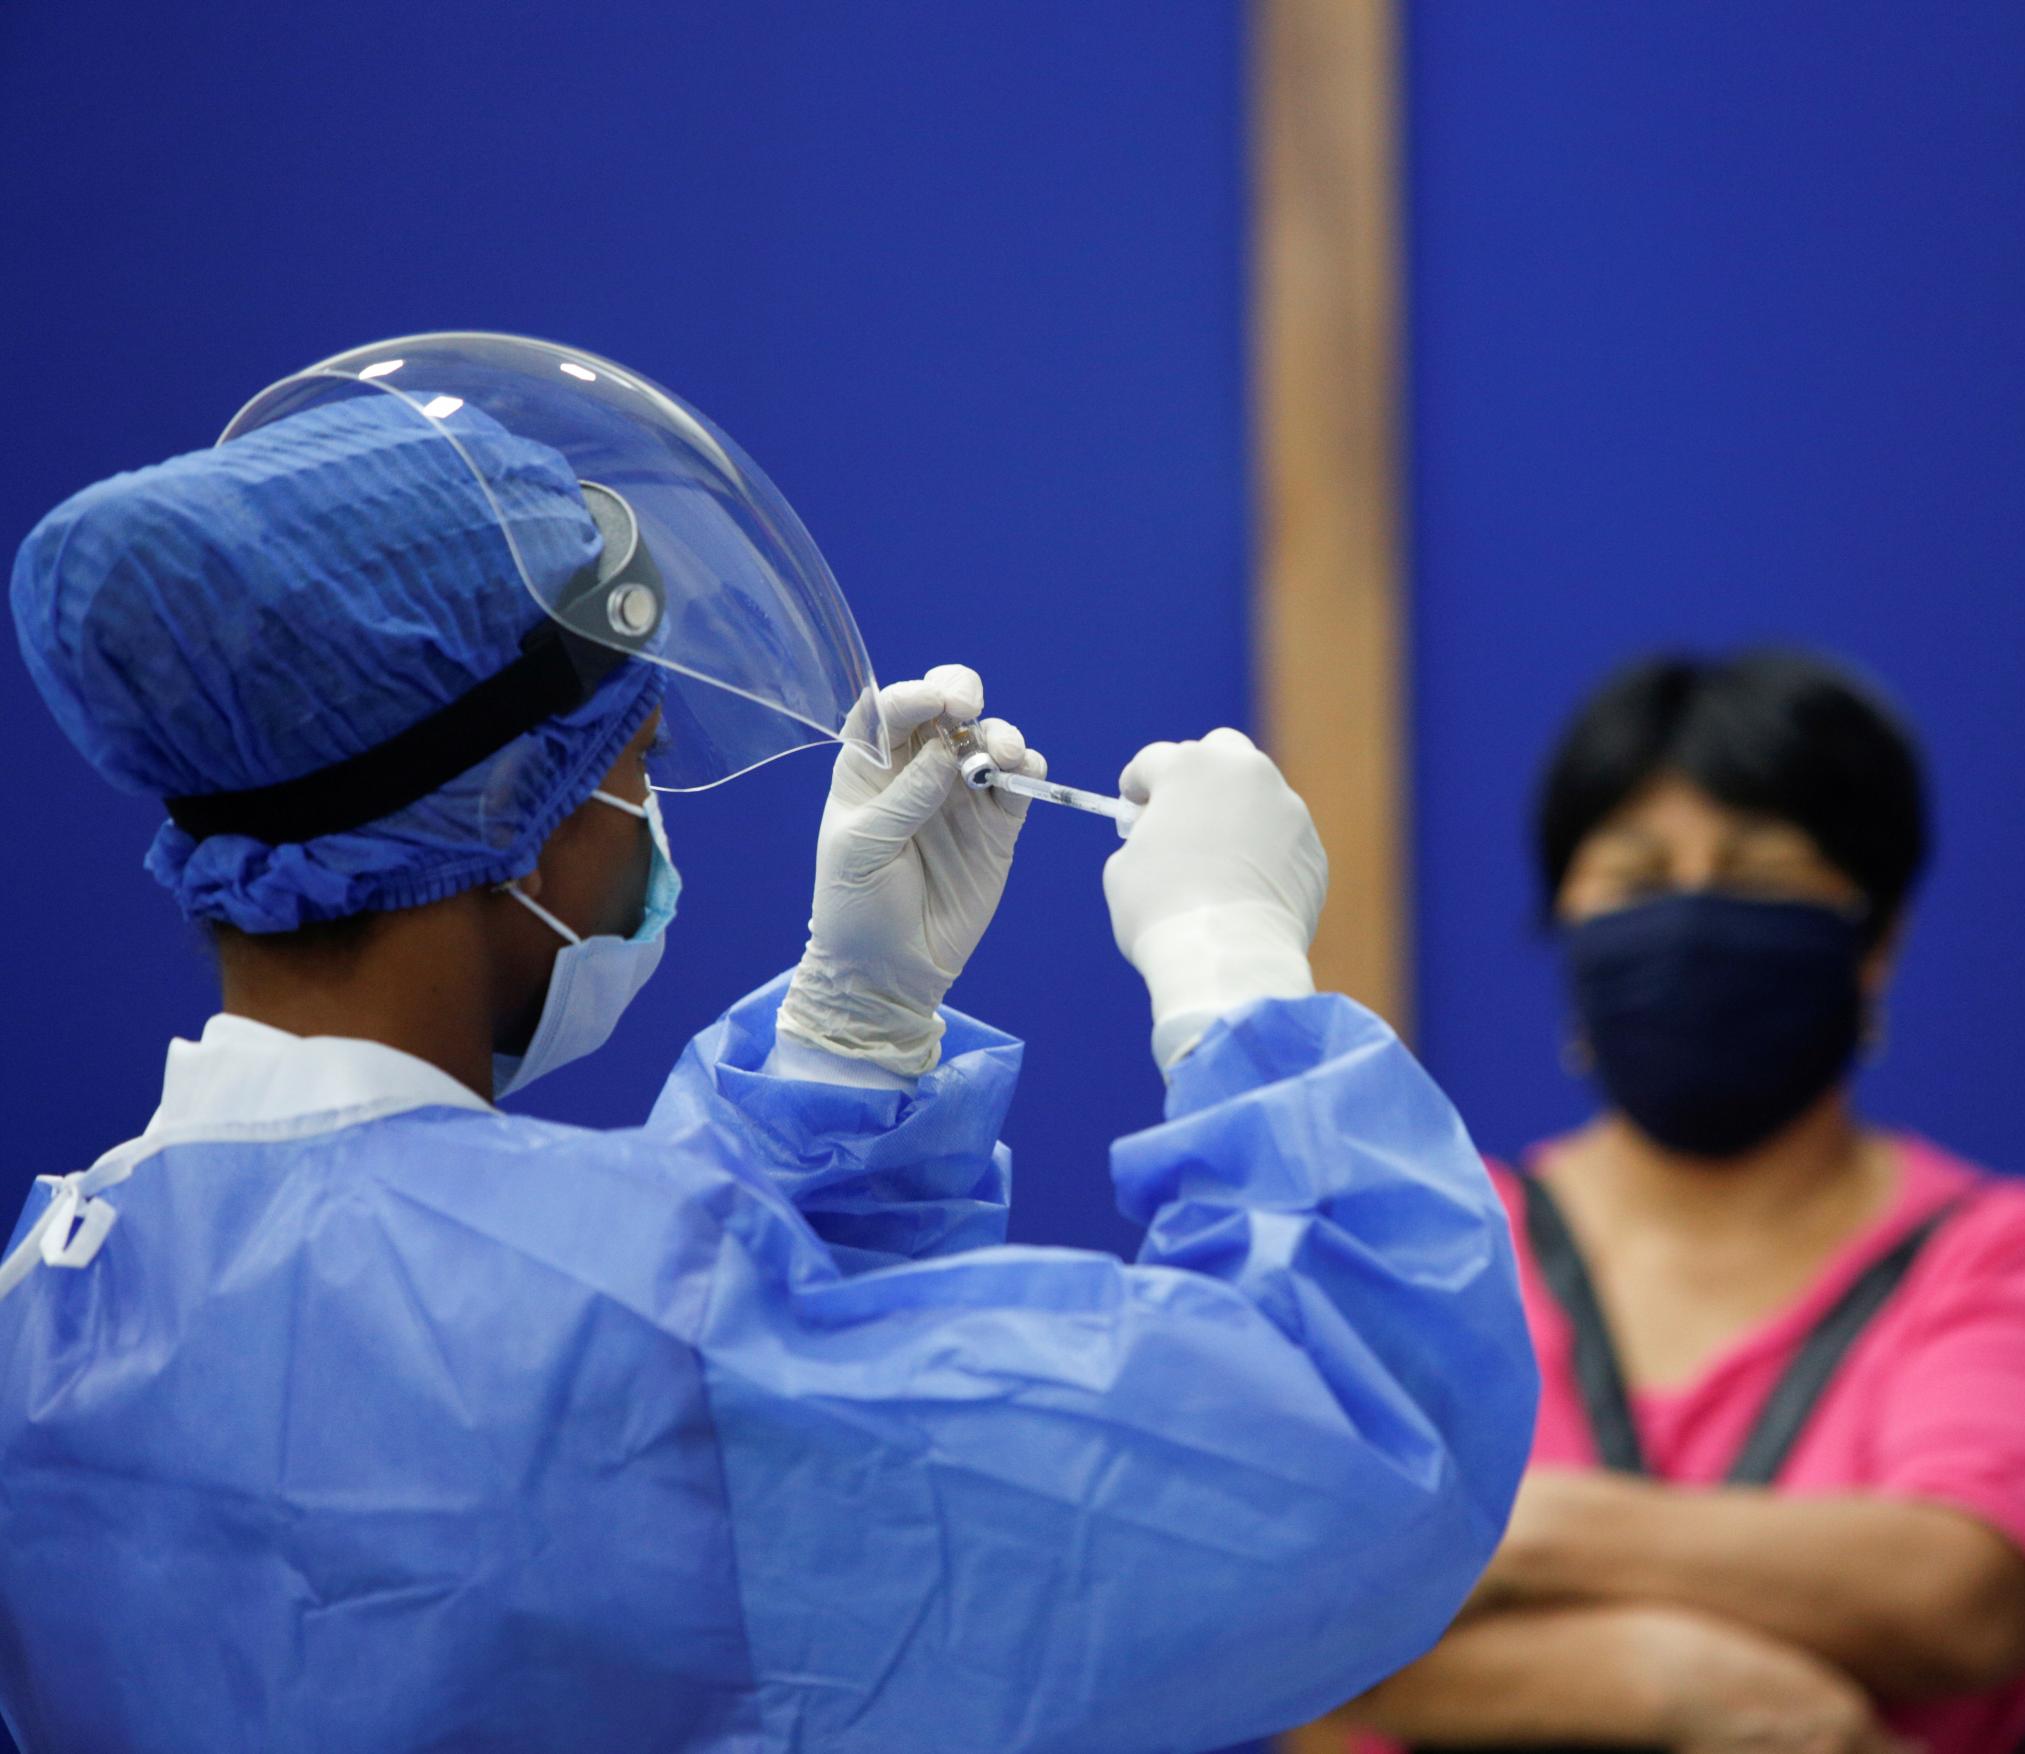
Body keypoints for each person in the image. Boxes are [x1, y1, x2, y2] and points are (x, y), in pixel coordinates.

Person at [0, 336, 1535, 1753]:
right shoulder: (631, 1343)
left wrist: (849, 1033)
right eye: (638, 764)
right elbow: (1362, 1439)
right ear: (509, 825)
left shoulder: (48, 1307)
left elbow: (597, 1390)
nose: (645, 826)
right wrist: (1230, 958)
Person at [1324, 652, 2025, 1754]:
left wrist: (1522, 1535)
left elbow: (1961, 1595)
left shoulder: (2008, 1257)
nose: (1694, 918)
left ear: (1877, 939)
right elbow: (1290, 1637)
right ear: (1565, 927)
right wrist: (1677, 1685)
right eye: (1635, 878)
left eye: (1760, 874)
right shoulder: (1412, 1241)